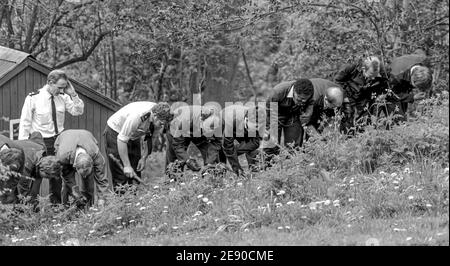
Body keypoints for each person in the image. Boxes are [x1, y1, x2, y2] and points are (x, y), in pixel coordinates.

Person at [18, 69, 84, 204]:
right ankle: (32, 208)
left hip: (59, 140)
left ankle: (56, 208)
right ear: (50, 82)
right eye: (60, 87)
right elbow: (25, 123)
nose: (62, 90)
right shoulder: (33, 98)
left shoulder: (63, 97)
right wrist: (24, 147)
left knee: (57, 175)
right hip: (40, 142)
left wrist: (73, 94)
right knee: (37, 176)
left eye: (64, 87)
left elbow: (78, 111)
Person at [104, 101, 171, 191]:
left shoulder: (160, 117)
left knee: (135, 171)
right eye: (161, 123)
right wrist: (127, 166)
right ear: (155, 115)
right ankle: (122, 200)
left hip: (133, 135)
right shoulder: (138, 116)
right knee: (122, 174)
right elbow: (122, 139)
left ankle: (134, 199)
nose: (162, 126)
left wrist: (144, 157)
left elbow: (151, 137)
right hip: (116, 133)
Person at [0, 132, 61, 207]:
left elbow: (37, 134)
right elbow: (22, 189)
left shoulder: (42, 150)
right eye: (47, 177)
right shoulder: (27, 165)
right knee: (11, 189)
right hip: (11, 157)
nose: (46, 179)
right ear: (42, 169)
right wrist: (27, 205)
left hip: (19, 151)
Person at [54, 129, 110, 208]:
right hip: (64, 142)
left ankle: (88, 207)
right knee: (67, 185)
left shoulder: (96, 155)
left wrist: (102, 198)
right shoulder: (62, 157)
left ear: (92, 164)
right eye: (82, 174)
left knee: (88, 183)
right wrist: (76, 194)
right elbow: (68, 178)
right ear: (75, 166)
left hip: (87, 137)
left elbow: (102, 179)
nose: (83, 176)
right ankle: (67, 209)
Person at [334, 56, 388, 134]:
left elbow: (384, 85)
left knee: (365, 116)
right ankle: (346, 138)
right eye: (371, 75)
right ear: (363, 69)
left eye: (375, 75)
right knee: (348, 114)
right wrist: (344, 98)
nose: (373, 78)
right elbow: (336, 82)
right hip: (348, 92)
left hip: (365, 94)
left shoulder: (381, 70)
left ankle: (361, 137)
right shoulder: (351, 67)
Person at [263, 78, 315, 158]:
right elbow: (270, 112)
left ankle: (292, 165)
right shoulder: (278, 92)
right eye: (300, 99)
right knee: (272, 143)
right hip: (276, 114)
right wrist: (269, 128)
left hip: (294, 114)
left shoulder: (309, 92)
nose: (302, 102)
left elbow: (311, 102)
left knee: (294, 145)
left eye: (305, 100)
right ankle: (270, 166)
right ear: (294, 91)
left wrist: (308, 114)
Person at [166, 105, 222, 173]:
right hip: (177, 129)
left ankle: (211, 176)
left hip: (197, 130)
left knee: (212, 158)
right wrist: (187, 160)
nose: (207, 133)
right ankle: (173, 178)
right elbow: (177, 144)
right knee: (175, 157)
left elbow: (216, 144)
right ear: (201, 122)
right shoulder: (186, 120)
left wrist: (209, 163)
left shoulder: (219, 124)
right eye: (206, 130)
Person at [383, 51, 433, 122]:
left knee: (403, 112)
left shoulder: (423, 61)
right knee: (398, 120)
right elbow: (392, 94)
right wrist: (412, 97)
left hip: (403, 80)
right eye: (416, 86)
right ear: (412, 78)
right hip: (390, 88)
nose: (416, 89)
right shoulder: (396, 76)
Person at [220, 104, 264, 177]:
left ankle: (254, 171)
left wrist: (234, 151)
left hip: (243, 126)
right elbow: (227, 146)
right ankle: (220, 173)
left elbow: (256, 142)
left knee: (252, 147)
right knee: (222, 149)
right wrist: (238, 170)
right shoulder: (232, 122)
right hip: (223, 121)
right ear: (246, 119)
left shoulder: (260, 120)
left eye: (259, 126)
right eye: (256, 126)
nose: (257, 128)